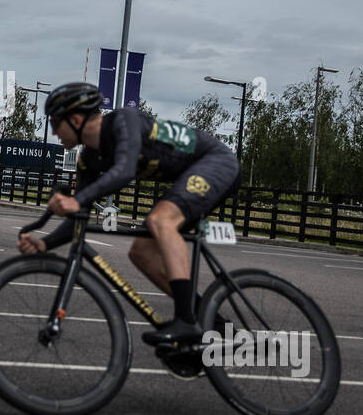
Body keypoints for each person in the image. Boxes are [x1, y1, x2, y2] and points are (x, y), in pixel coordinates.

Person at [18, 82, 242, 367]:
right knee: (140, 253)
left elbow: (124, 171)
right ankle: (213, 324)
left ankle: (187, 321)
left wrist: (76, 200)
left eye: (54, 123)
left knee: (161, 221)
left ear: (75, 120)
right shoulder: (89, 158)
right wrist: (44, 243)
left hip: (216, 162)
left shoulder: (124, 121)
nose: (52, 132)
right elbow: (81, 217)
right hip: (188, 174)